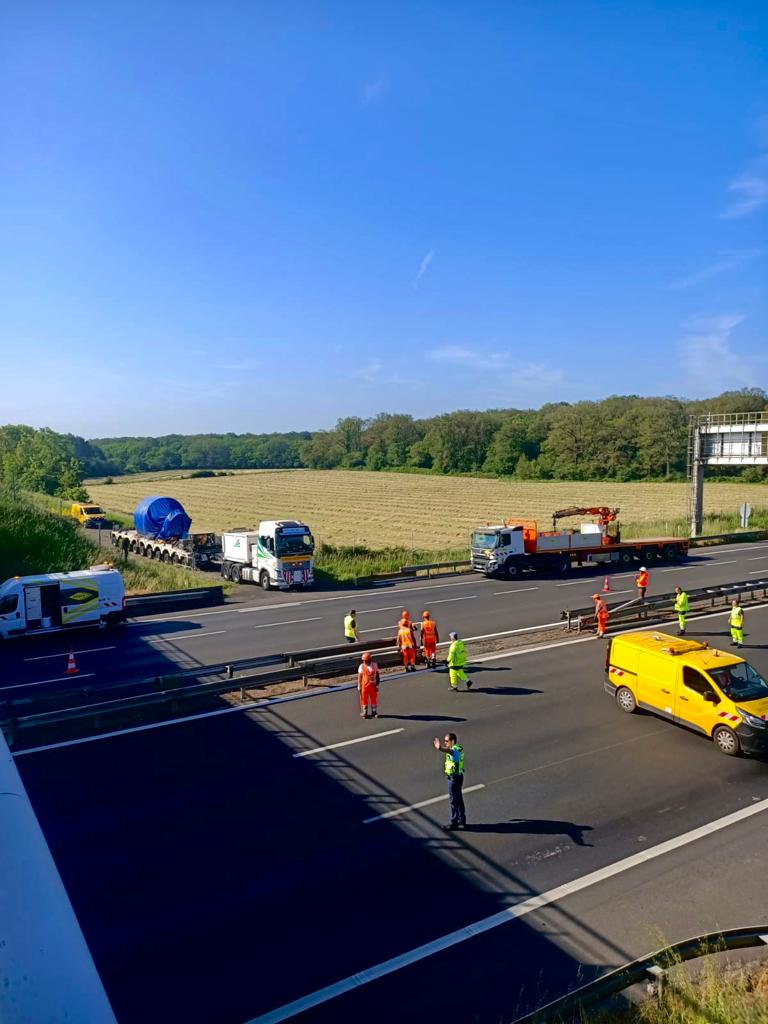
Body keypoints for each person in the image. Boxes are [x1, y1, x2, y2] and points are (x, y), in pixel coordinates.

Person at [433, 732, 466, 831]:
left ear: (452, 741)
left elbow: (449, 751)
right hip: (459, 776)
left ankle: (454, 822)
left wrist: (440, 748)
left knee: (453, 800)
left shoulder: (454, 751)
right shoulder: (458, 748)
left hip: (454, 778)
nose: (445, 743)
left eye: (447, 741)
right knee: (459, 798)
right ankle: (462, 820)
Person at [357, 651, 380, 718]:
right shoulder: (361, 666)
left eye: (366, 660)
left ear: (370, 660)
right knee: (364, 699)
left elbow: (378, 676)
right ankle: (365, 712)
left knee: (373, 699)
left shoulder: (375, 665)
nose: (365, 662)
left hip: (373, 685)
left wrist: (377, 685)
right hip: (364, 686)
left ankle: (374, 711)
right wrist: (359, 685)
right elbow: (359, 677)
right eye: (364, 660)